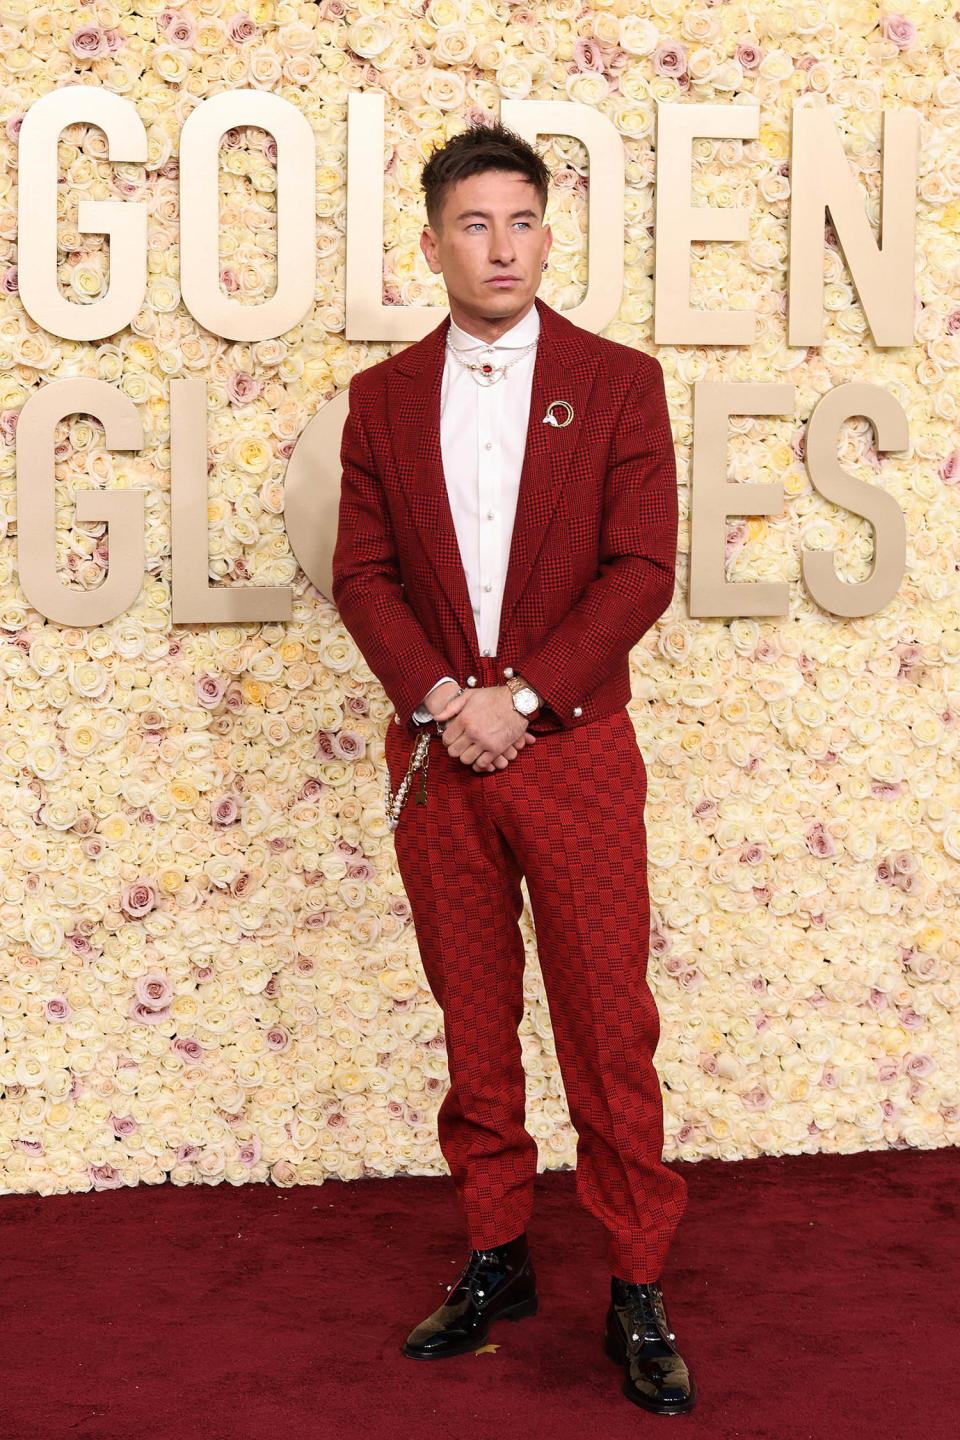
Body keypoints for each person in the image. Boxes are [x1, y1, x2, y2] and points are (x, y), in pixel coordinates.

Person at [331, 120, 695, 1415]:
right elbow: (361, 573)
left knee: (610, 1027)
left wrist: (523, 697)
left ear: (549, 233)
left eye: (522, 221)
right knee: (474, 1022)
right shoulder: (379, 402)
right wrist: (442, 700)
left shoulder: (620, 384)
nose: (501, 245)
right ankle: (497, 1256)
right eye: (474, 225)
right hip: (442, 758)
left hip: (576, 752)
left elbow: (641, 567)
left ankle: (638, 1285)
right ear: (430, 244)